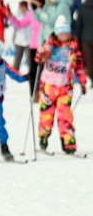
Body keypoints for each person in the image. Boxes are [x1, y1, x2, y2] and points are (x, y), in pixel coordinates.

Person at [35, 15, 87, 154]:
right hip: (48, 87)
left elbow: (79, 64)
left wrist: (82, 81)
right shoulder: (50, 44)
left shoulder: (73, 46)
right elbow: (40, 58)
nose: (64, 35)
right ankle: (43, 138)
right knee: (46, 115)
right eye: (61, 33)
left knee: (65, 116)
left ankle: (68, 143)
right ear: (57, 33)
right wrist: (40, 53)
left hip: (65, 87)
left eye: (66, 33)